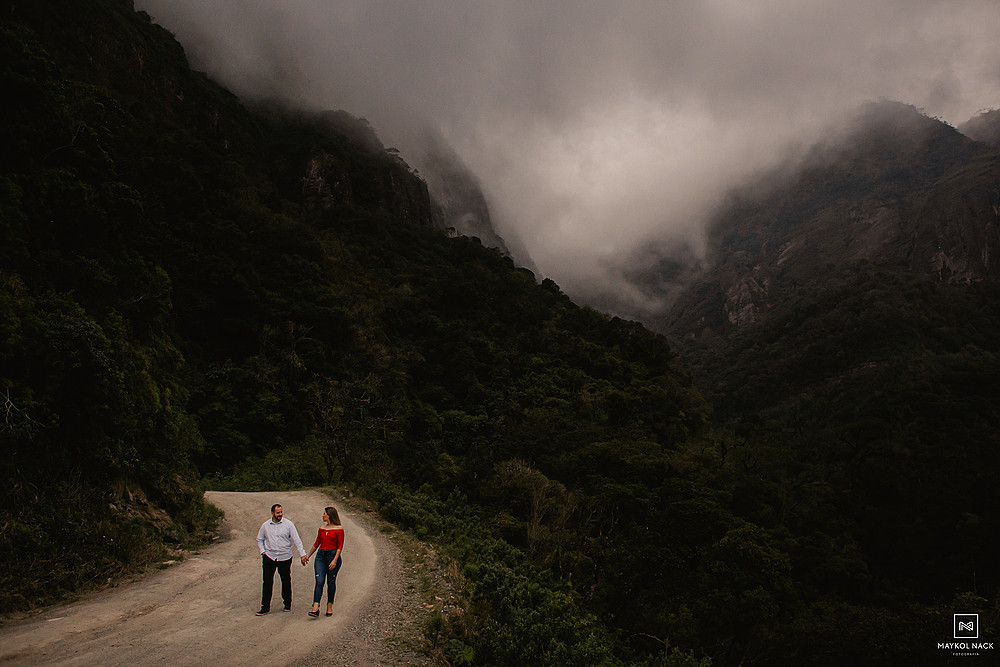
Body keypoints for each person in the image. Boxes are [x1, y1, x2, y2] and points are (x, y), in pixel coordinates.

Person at [255, 503, 308, 615]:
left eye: (281, 512)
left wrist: (302, 554)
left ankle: (287, 604)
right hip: (269, 557)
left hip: (285, 557)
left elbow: (296, 540)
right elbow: (259, 539)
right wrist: (263, 552)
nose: (280, 514)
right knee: (267, 582)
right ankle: (265, 607)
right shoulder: (265, 525)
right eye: (278, 512)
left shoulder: (288, 524)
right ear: (272, 513)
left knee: (286, 581)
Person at [303, 506, 345, 618]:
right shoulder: (322, 529)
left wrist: (335, 560)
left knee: (331, 581)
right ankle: (315, 607)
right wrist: (308, 555)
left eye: (324, 513)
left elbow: (340, 546)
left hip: (332, 555)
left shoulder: (339, 529)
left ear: (329, 515)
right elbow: (316, 543)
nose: (323, 515)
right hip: (321, 555)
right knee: (319, 580)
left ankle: (329, 605)